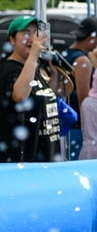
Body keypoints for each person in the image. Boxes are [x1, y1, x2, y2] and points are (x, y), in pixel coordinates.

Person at [0, 16, 63, 162]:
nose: (33, 39)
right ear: (12, 40)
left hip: (45, 157)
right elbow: (20, 96)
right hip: (23, 161)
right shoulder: (8, 69)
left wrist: (54, 76)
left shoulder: (32, 68)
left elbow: (43, 99)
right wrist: (34, 55)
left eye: (36, 33)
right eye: (26, 33)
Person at [60, 16, 97, 159]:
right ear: (94, 37)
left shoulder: (66, 53)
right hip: (76, 124)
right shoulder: (81, 60)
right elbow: (83, 98)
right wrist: (88, 129)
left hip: (64, 118)